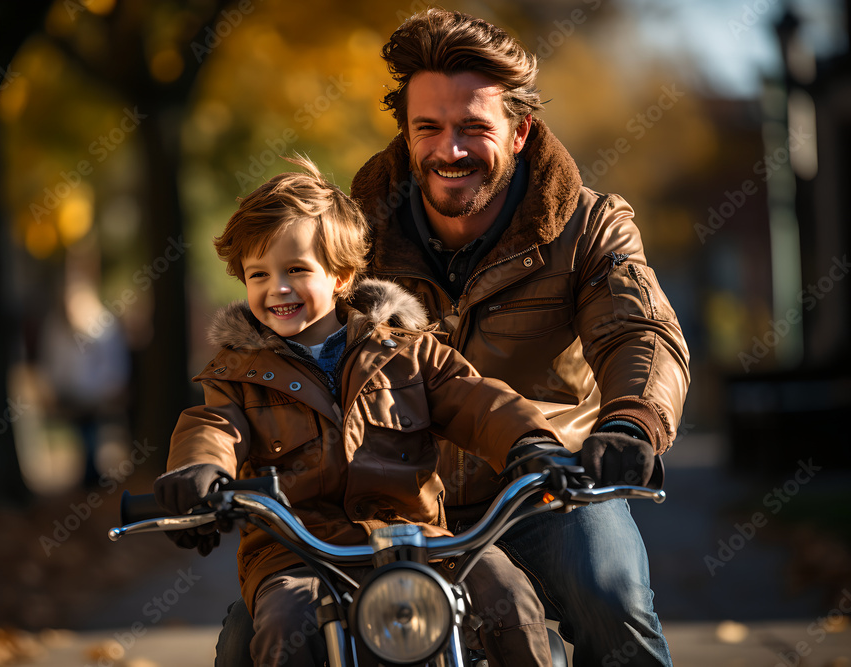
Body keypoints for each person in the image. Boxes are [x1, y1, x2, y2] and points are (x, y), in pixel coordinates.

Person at [216, 8, 691, 667]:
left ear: (520, 130)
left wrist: (632, 426)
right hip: (394, 499)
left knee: (611, 595)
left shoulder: (590, 226)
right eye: (429, 128)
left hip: (546, 483)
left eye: (474, 127)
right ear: (407, 134)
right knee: (256, 631)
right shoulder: (354, 236)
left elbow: (640, 332)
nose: (450, 149)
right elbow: (275, 341)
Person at [154, 156, 563, 666]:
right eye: (258, 274)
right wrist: (199, 474)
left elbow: (477, 400)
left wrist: (531, 442)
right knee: (286, 624)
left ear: (341, 275)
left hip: (415, 542)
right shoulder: (236, 375)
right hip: (297, 553)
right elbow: (212, 428)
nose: (276, 288)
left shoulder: (406, 351)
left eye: (296, 270)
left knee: (507, 589)